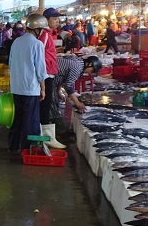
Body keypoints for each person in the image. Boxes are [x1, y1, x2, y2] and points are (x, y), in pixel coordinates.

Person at [8, 13, 48, 153]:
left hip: (16, 87)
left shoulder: (16, 42)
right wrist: (43, 88)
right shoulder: (37, 44)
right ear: (38, 29)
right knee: (30, 122)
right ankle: (27, 149)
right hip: (30, 89)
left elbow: (10, 64)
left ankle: (13, 146)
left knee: (17, 118)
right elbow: (40, 70)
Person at [52, 55, 102, 137]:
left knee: (54, 103)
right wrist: (77, 102)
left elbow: (62, 75)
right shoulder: (77, 68)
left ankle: (56, 130)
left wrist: (58, 91)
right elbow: (68, 86)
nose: (90, 72)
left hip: (51, 79)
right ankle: (60, 133)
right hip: (48, 80)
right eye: (92, 70)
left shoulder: (78, 61)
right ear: (89, 64)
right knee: (53, 107)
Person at [38, 8, 61, 140]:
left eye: (57, 19)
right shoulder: (45, 35)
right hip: (45, 74)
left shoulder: (48, 34)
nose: (57, 21)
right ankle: (44, 137)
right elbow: (38, 54)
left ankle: (45, 136)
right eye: (54, 19)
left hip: (48, 73)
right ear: (46, 20)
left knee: (45, 105)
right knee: (44, 106)